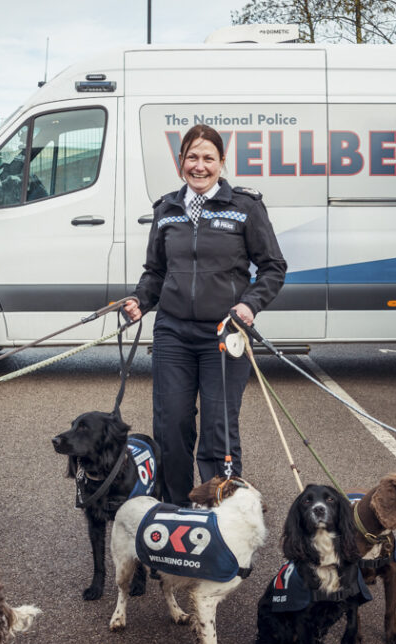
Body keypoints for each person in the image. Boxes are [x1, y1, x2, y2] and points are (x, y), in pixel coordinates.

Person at [123, 124, 286, 506]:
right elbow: (156, 272)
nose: (199, 166)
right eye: (192, 158)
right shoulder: (167, 209)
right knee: (172, 424)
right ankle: (176, 508)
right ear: (181, 162)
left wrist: (249, 304)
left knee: (218, 428)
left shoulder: (245, 207)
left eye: (208, 158)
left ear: (221, 163)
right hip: (173, 334)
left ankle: (222, 510)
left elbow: (273, 267)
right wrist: (139, 301)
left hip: (224, 334)